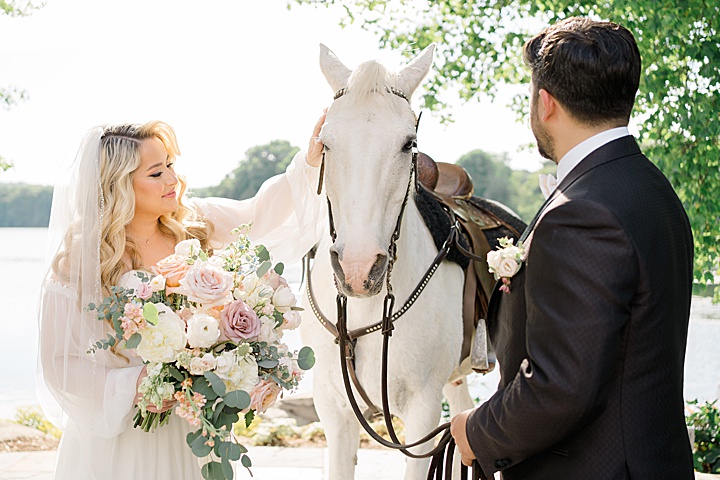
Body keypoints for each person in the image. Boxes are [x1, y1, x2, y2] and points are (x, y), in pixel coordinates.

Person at [450, 17, 695, 479]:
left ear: (545, 103)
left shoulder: (581, 212)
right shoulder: (654, 191)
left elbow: (562, 385)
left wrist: (478, 432)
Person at [38, 115, 326, 479]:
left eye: (171, 165)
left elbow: (260, 213)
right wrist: (139, 384)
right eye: (156, 173)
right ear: (118, 185)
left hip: (194, 428)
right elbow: (61, 363)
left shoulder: (196, 223)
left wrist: (309, 163)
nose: (173, 180)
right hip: (124, 438)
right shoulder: (86, 259)